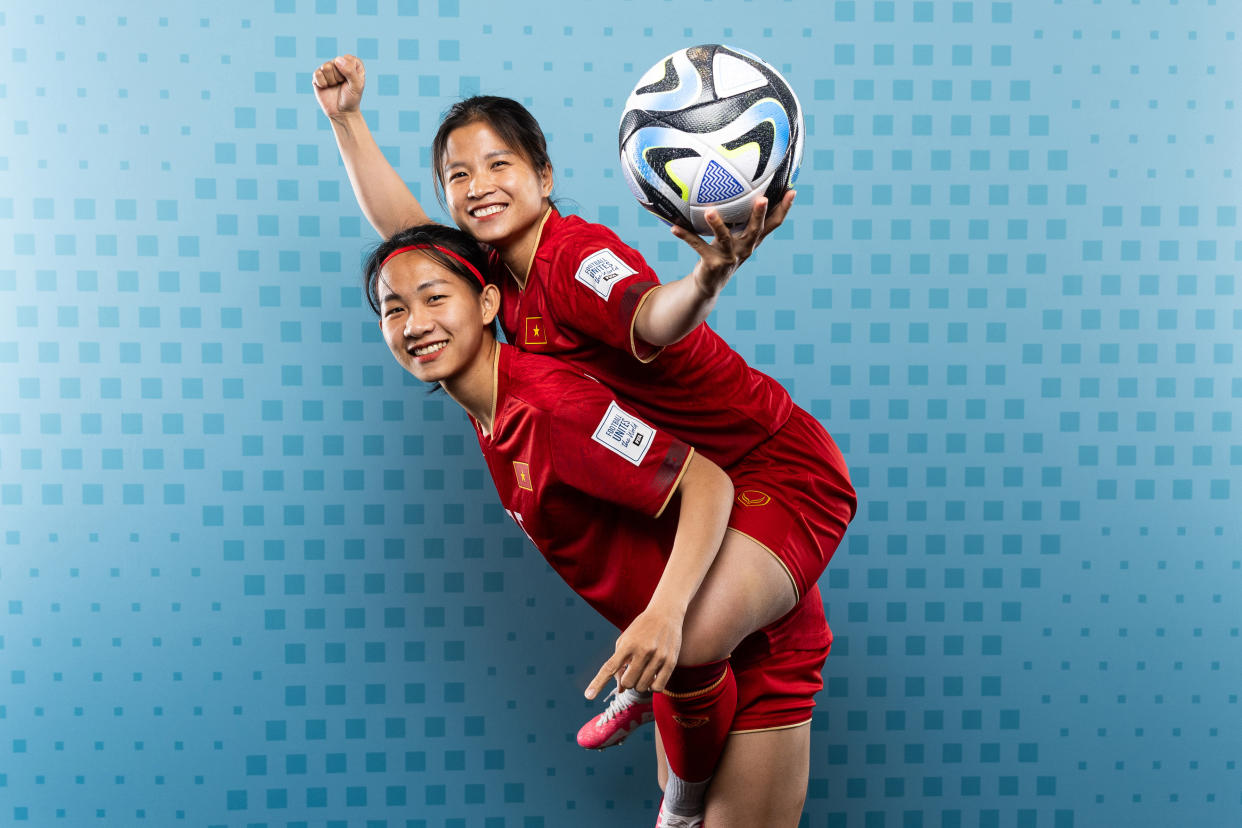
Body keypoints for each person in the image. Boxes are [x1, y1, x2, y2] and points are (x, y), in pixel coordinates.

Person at [314, 56, 857, 828]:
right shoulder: (496, 274)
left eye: (499, 164)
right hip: (709, 501)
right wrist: (347, 122)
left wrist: (704, 282)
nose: (478, 185)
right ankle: (674, 742)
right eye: (457, 177)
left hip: (779, 468)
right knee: (687, 660)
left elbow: (647, 318)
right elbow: (413, 245)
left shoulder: (573, 258)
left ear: (545, 175)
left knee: (689, 639)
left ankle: (674, 778)